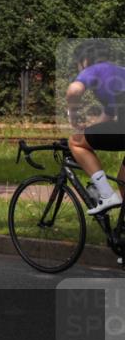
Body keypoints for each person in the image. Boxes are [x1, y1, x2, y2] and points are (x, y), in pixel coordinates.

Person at [67, 42, 125, 215]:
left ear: (85, 60)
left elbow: (73, 91)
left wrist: (73, 114)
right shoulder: (119, 72)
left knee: (75, 142)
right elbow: (106, 119)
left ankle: (107, 195)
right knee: (123, 180)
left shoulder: (93, 68)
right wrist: (87, 131)